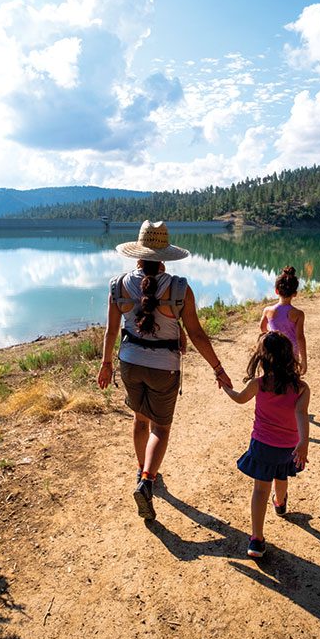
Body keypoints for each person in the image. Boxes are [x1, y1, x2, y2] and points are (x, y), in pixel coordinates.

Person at [97, 220, 233, 521]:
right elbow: (197, 334)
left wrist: (106, 365)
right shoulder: (179, 288)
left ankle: (141, 470)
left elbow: (111, 331)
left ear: (137, 254)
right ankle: (148, 479)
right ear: (165, 257)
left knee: (140, 419)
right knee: (160, 427)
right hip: (164, 369)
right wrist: (218, 368)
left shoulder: (118, 285)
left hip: (130, 363)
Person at [220, 330, 310, 558]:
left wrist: (227, 387)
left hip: (262, 445)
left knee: (260, 489)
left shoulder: (258, 384)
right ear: (290, 356)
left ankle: (256, 540)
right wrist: (303, 443)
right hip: (288, 447)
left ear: (261, 358)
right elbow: (301, 414)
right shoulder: (301, 388)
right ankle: (280, 503)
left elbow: (240, 398)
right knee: (282, 475)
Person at [259, 265, 307, 375]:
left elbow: (262, 328)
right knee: (290, 377)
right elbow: (300, 337)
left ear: (276, 291)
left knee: (273, 375)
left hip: (273, 350)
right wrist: (304, 360)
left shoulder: (268, 310)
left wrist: (271, 337)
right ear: (295, 294)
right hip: (291, 352)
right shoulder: (299, 314)